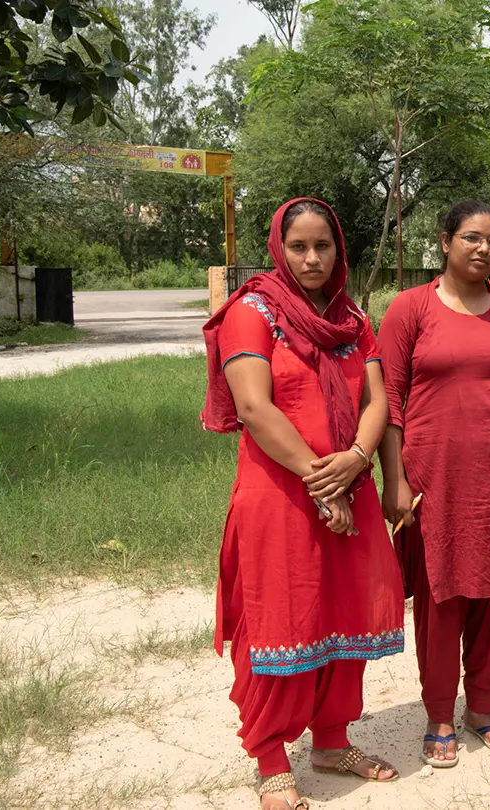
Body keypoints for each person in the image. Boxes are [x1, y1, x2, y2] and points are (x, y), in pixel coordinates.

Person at [203, 198, 406, 810]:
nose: (313, 258)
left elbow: (377, 401)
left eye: (324, 246)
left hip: (350, 484)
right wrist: (326, 481)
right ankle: (270, 757)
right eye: (299, 247)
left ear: (340, 250)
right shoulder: (252, 312)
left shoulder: (352, 318)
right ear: (279, 249)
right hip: (281, 495)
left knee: (347, 614)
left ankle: (332, 740)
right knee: (283, 617)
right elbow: (256, 409)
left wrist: (356, 461)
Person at [379, 200, 490, 768]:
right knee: (441, 598)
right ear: (446, 240)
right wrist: (395, 479)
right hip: (435, 480)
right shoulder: (410, 309)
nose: (483, 249)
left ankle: (481, 709)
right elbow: (390, 403)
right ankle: (439, 716)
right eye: (472, 238)